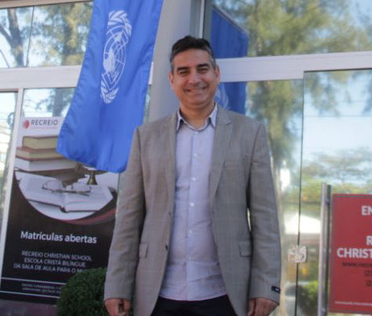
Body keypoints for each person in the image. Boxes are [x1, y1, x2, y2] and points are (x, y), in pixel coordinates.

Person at [104, 36, 281, 316]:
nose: (194, 79)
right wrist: (117, 285)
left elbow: (265, 218)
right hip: (157, 294)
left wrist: (266, 285)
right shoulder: (145, 137)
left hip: (226, 294)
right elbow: (128, 218)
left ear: (216, 74)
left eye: (202, 69)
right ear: (171, 80)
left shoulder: (250, 134)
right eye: (184, 72)